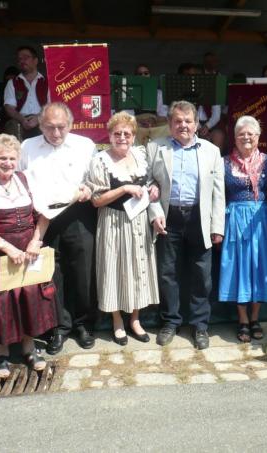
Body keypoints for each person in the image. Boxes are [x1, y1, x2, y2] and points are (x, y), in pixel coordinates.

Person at [0, 134, 58, 378]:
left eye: (12, 158)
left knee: (29, 298)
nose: (7, 163)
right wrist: (8, 248)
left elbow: (45, 214)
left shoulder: (26, 179)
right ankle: (1, 352)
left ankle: (29, 346)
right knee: (2, 301)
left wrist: (36, 241)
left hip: (29, 251)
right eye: (1, 158)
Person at [19, 103, 98, 353]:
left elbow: (96, 179)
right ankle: (58, 328)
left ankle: (84, 324)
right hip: (43, 217)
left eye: (61, 127)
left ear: (70, 125)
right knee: (52, 274)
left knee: (83, 272)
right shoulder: (27, 147)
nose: (56, 133)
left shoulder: (85, 145)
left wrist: (89, 189)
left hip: (78, 213)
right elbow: (20, 179)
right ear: (40, 125)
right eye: (50, 128)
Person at [147, 100, 225, 350]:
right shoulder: (155, 148)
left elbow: (218, 192)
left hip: (199, 218)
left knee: (202, 274)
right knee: (167, 273)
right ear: (169, 125)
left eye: (188, 121)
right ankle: (170, 321)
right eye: (178, 121)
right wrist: (155, 213)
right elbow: (148, 185)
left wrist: (217, 226)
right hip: (168, 217)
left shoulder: (211, 151)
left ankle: (200, 325)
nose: (183, 125)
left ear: (197, 124)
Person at [85, 112, 160, 345]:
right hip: (113, 221)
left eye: (127, 133)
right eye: (117, 133)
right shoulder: (100, 160)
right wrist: (124, 188)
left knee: (138, 269)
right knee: (114, 270)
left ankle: (135, 319)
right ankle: (117, 320)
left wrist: (154, 187)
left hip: (138, 221)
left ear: (133, 135)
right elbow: (96, 200)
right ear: (109, 135)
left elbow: (149, 182)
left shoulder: (140, 154)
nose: (122, 137)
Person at [218, 115, 267, 342]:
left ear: (258, 137)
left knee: (259, 267)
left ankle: (255, 317)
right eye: (240, 134)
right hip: (235, 219)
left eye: (250, 133)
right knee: (239, 267)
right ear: (234, 138)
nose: (245, 137)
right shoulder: (223, 163)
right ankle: (242, 318)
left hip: (261, 220)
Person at [4, 46, 50, 140]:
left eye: (26, 57)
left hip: (42, 119)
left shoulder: (47, 82)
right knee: (11, 125)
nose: (22, 61)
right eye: (20, 59)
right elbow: (9, 108)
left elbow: (52, 106)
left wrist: (38, 118)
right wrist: (22, 120)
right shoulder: (12, 82)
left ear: (35, 60)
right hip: (20, 121)